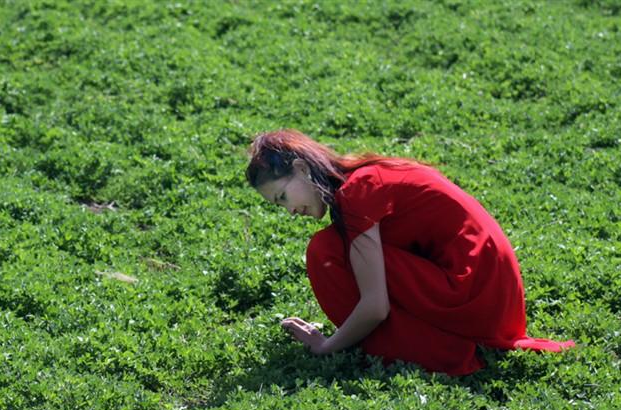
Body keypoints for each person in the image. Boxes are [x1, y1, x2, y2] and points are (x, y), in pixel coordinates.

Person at [245, 129, 574, 375]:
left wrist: (326, 346)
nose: (289, 212)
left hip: (474, 291)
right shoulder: (362, 178)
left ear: (302, 169)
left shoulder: (357, 192)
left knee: (325, 251)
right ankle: (427, 339)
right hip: (494, 296)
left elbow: (375, 306)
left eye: (283, 197)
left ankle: (436, 348)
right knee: (335, 245)